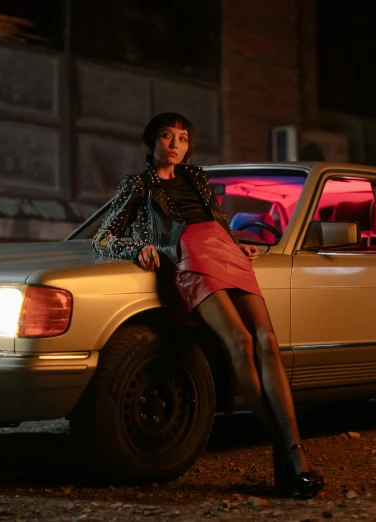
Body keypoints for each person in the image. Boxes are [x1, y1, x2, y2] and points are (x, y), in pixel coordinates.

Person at [93, 112, 324, 499]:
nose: (175, 145)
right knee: (240, 342)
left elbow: (215, 218)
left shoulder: (196, 176)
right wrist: (139, 248)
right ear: (150, 144)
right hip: (191, 254)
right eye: (166, 137)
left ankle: (289, 449)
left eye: (182, 138)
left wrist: (237, 242)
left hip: (223, 249)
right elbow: (103, 236)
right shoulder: (138, 183)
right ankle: (290, 452)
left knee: (268, 339)